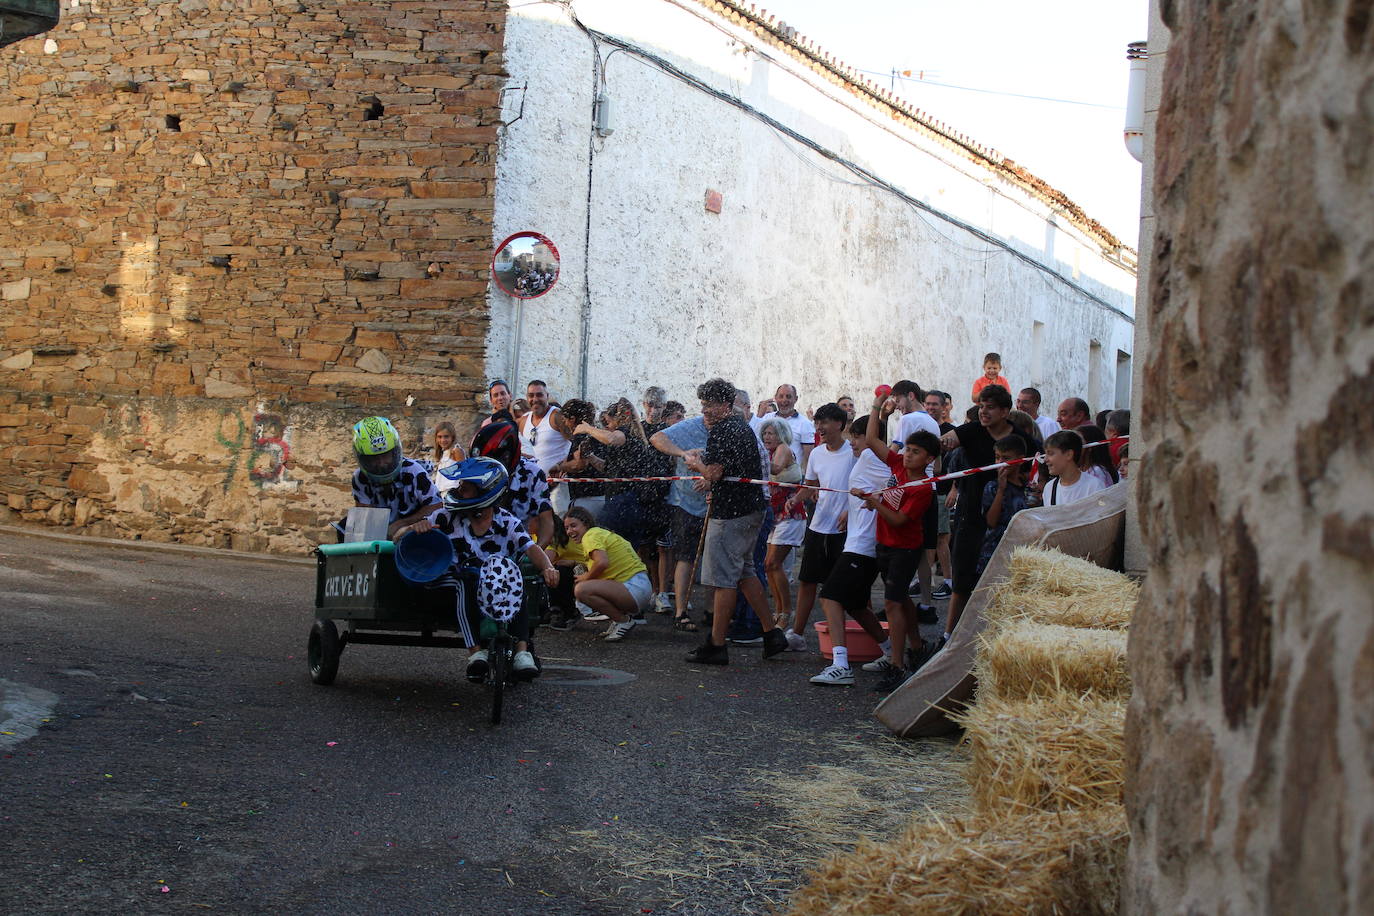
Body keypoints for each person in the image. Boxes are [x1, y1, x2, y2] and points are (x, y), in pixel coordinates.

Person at [393, 457, 559, 681]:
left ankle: (522, 652)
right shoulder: (445, 516)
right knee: (467, 578)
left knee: (514, 575)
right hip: (449, 583)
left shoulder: (507, 521)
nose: (459, 491)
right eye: (460, 486)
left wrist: (548, 567)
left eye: (466, 488)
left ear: (486, 491)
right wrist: (415, 528)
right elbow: (397, 537)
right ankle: (475, 653)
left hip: (491, 584)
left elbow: (530, 548)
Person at [681, 378, 788, 665]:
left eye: (710, 405)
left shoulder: (723, 430)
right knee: (744, 572)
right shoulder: (741, 428)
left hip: (731, 513)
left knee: (724, 579)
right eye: (703, 404)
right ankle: (771, 633)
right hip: (752, 509)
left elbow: (713, 474)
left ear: (726, 405)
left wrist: (696, 465)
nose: (705, 410)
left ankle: (716, 644)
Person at [849, 402, 940, 692]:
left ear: (929, 458)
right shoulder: (898, 465)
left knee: (891, 603)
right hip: (885, 544)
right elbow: (874, 441)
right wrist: (876, 408)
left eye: (915, 452)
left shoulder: (923, 488)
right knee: (900, 600)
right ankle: (917, 646)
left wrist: (874, 500)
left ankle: (898, 666)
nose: (908, 455)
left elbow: (900, 520)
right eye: (908, 449)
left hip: (905, 548)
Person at [938, 385, 1036, 645]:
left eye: (990, 407)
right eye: (981, 406)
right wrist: (942, 442)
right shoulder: (971, 431)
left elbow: (1042, 458)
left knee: (1000, 583)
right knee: (962, 579)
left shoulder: (1020, 439)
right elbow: (949, 440)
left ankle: (995, 638)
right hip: (971, 515)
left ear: (1005, 411)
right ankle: (949, 638)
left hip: (1005, 522)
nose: (983, 412)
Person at [806, 412, 897, 686]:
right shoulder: (868, 459)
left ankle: (840, 664)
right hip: (858, 541)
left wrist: (876, 499)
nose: (853, 442)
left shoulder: (871, 458)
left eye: (857, 437)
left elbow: (896, 485)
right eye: (853, 436)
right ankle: (891, 652)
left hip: (862, 545)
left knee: (830, 597)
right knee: (856, 606)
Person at [784, 402, 854, 652]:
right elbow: (811, 484)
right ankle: (797, 634)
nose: (820, 427)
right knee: (807, 581)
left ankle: (857, 637)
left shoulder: (853, 453)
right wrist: (795, 499)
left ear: (839, 424)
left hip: (845, 529)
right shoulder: (816, 453)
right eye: (818, 422)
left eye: (825, 422)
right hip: (818, 525)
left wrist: (850, 510)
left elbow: (865, 487)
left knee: (843, 587)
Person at [649, 405, 710, 632]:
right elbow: (657, 438)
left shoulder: (730, 428)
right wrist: (682, 453)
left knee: (712, 560)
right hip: (685, 501)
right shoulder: (690, 426)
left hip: (717, 504)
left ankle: (711, 612)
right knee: (685, 557)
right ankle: (681, 611)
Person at [562, 506, 654, 642]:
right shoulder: (598, 533)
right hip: (639, 586)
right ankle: (618, 621)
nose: (570, 531)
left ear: (586, 524)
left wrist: (585, 578)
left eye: (573, 526)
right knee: (588, 585)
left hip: (634, 588)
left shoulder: (590, 536)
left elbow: (602, 563)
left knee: (582, 590)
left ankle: (623, 621)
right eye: (567, 528)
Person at [350, 416, 441, 540]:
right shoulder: (359, 478)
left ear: (394, 452)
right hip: (381, 537)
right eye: (374, 459)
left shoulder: (413, 470)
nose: (382, 463)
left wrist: (402, 523)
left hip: (414, 535)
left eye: (386, 456)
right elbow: (364, 515)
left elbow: (436, 505)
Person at [469, 420, 554, 548]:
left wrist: (537, 554)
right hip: (477, 544)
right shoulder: (472, 472)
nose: (486, 468)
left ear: (507, 457)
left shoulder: (533, 474)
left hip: (518, 546)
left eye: (490, 462)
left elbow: (546, 520)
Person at [760, 417, 806, 640]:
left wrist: (748, 458)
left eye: (772, 433)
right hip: (774, 514)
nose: (768, 437)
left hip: (790, 513)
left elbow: (776, 469)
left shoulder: (783, 449)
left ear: (781, 435)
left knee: (772, 563)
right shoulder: (766, 452)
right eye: (766, 433)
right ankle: (778, 610)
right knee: (768, 566)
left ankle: (786, 611)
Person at [641, 387, 677, 614]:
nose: (654, 410)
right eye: (650, 405)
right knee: (644, 547)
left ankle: (663, 592)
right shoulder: (637, 431)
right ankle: (652, 589)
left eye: (659, 406)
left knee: (665, 546)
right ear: (644, 405)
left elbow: (674, 462)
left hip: (664, 495)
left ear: (664, 408)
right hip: (642, 495)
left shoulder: (669, 432)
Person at [977, 436, 1030, 576]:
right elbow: (991, 522)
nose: (1000, 463)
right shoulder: (992, 487)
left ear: (1020, 459)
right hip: (996, 549)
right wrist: (1001, 490)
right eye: (997, 457)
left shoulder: (1029, 485)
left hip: (1022, 550)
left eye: (1006, 458)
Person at [549, 398, 607, 521]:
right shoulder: (596, 433)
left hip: (586, 499)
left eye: (565, 419)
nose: (564, 423)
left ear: (572, 419)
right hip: (599, 495)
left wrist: (560, 467)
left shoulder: (580, 435)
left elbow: (580, 464)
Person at [519, 380, 572, 511]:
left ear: (547, 396)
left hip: (556, 486)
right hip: (532, 486)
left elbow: (574, 441)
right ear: (527, 398)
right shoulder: (524, 420)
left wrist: (563, 465)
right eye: (531, 396)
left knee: (558, 522)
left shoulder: (557, 416)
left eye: (539, 395)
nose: (535, 399)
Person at [923, 389, 955, 599]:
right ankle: (925, 581)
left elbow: (959, 463)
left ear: (944, 407)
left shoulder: (951, 431)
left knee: (942, 537)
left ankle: (949, 582)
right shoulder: (923, 429)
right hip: (924, 490)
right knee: (926, 538)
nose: (931, 407)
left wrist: (954, 487)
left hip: (943, 490)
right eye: (928, 404)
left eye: (935, 404)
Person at [751, 384, 816, 466]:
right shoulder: (766, 418)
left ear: (795, 399)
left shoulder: (805, 424)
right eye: (781, 396)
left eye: (788, 397)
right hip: (766, 475)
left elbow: (808, 458)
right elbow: (754, 440)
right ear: (776, 398)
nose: (784, 400)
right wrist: (759, 415)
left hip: (791, 477)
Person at [1042, 430, 1109, 506]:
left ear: (1069, 454)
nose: (1045, 459)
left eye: (1050, 453)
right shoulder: (1049, 488)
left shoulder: (1094, 486)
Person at [429, 421, 465, 494]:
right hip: (441, 493)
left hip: (452, 492)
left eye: (446, 436)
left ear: (452, 437)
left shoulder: (456, 451)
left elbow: (464, 473)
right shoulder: (444, 452)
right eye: (439, 437)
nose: (443, 440)